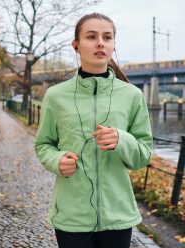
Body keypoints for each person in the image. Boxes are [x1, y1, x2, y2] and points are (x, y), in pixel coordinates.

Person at [34, 13, 153, 248]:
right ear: (76, 45)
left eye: (107, 37)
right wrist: (57, 160)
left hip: (118, 215)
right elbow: (43, 144)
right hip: (71, 215)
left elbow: (144, 153)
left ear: (113, 45)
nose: (100, 42)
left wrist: (123, 140)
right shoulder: (56, 95)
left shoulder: (132, 95)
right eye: (91, 36)